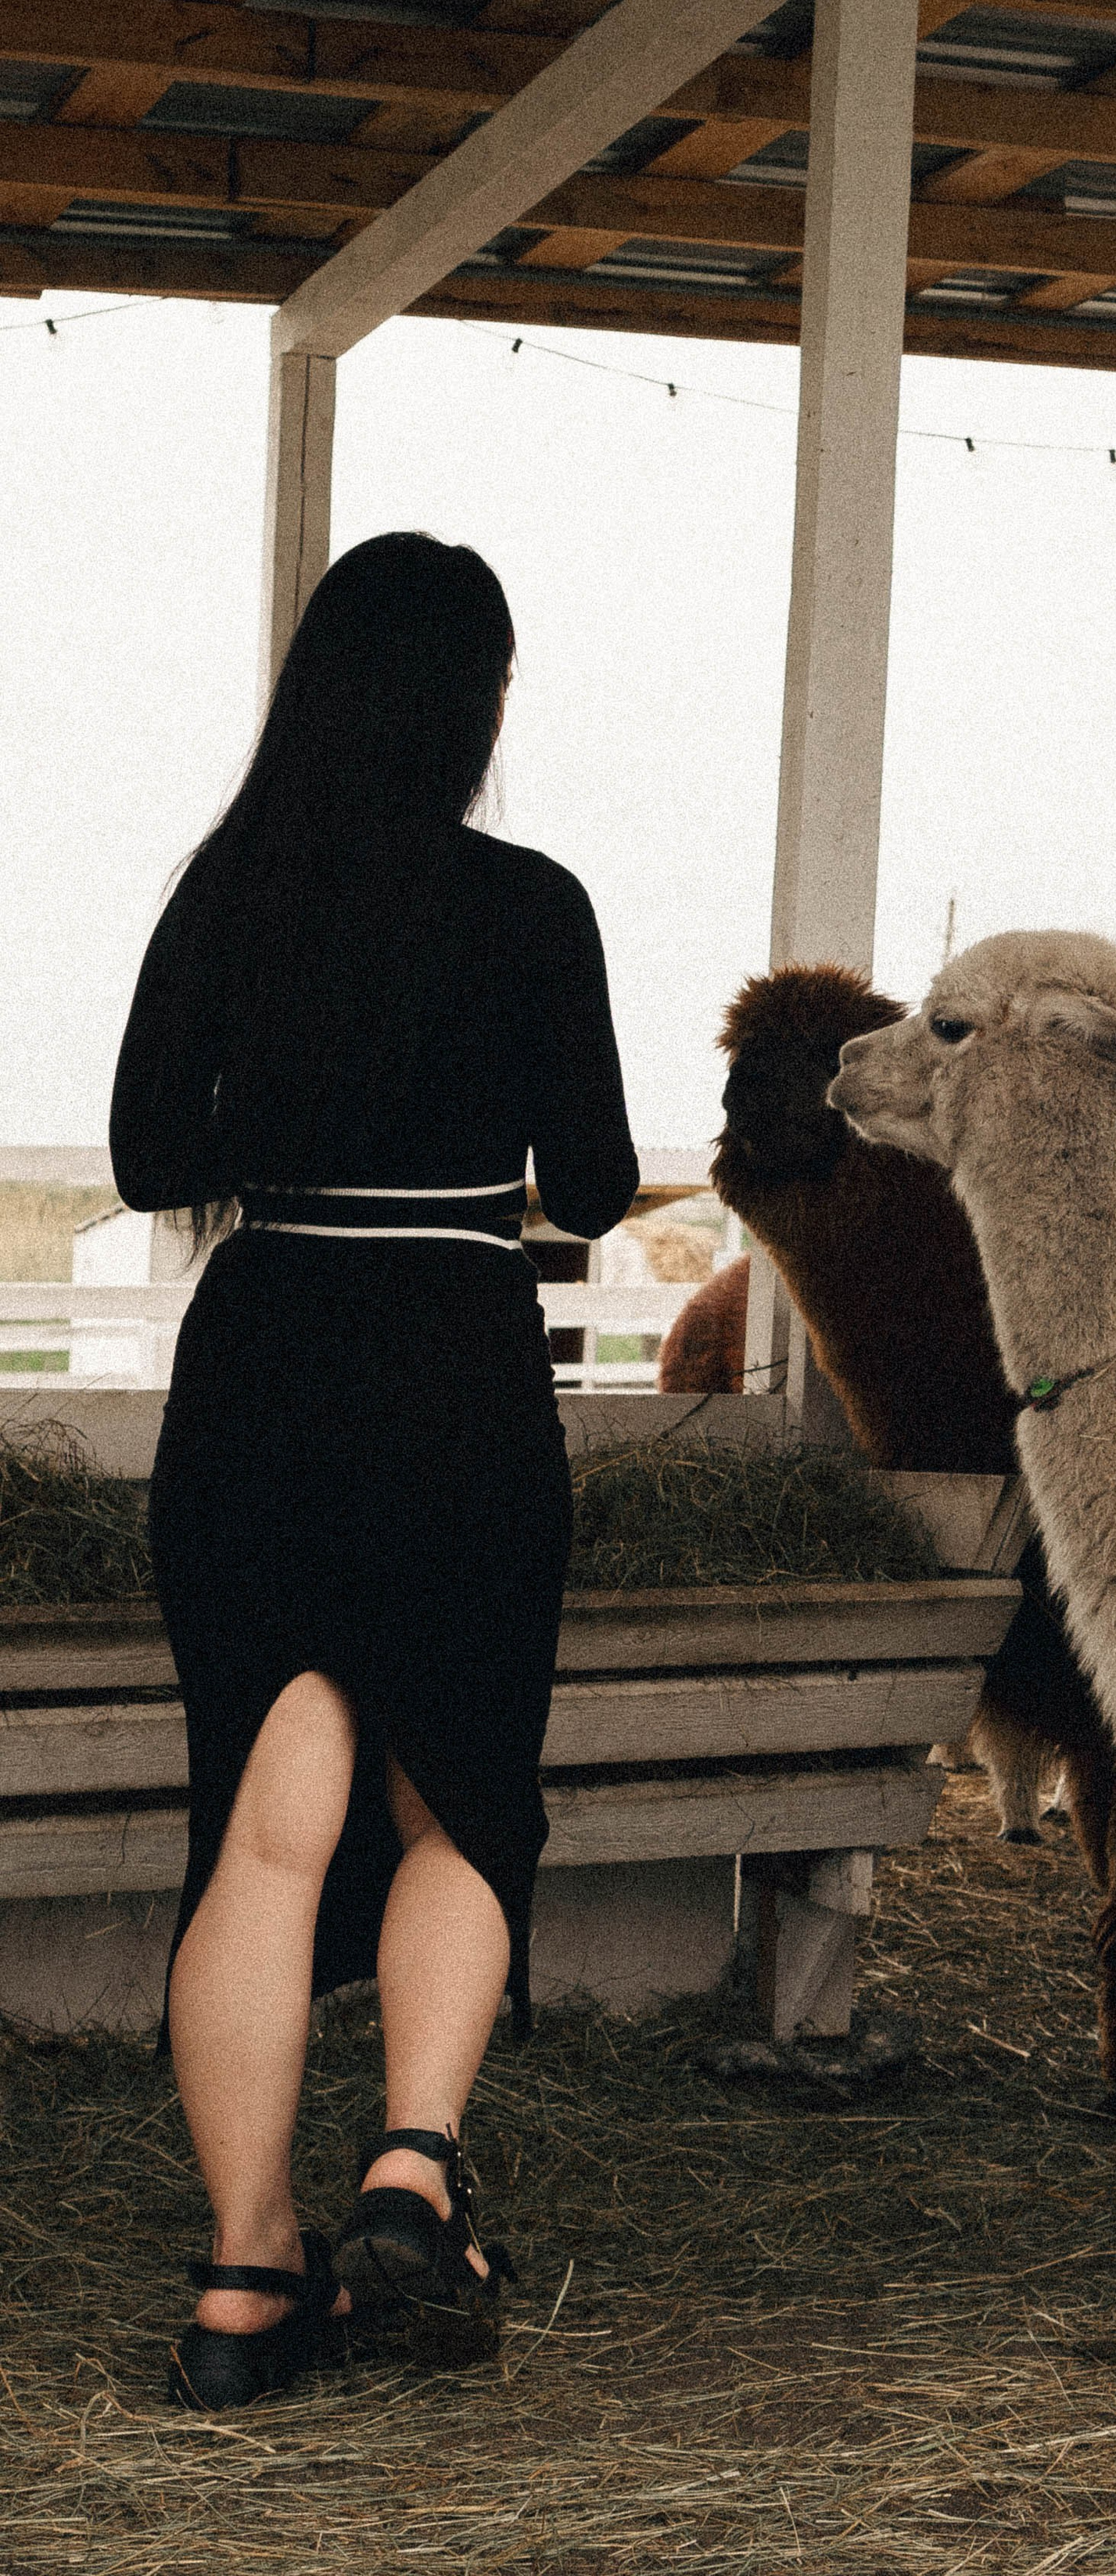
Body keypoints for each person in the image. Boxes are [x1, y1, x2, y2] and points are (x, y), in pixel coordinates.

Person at [109, 532, 637, 2413]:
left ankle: (247, 2280)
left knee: (266, 1819)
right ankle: (412, 2171)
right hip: (452, 1378)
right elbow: (594, 1185)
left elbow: (149, 1157)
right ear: (476, 704)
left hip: (260, 1375)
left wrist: (300, 1118)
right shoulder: (533, 905)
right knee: (459, 1802)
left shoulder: (230, 883)